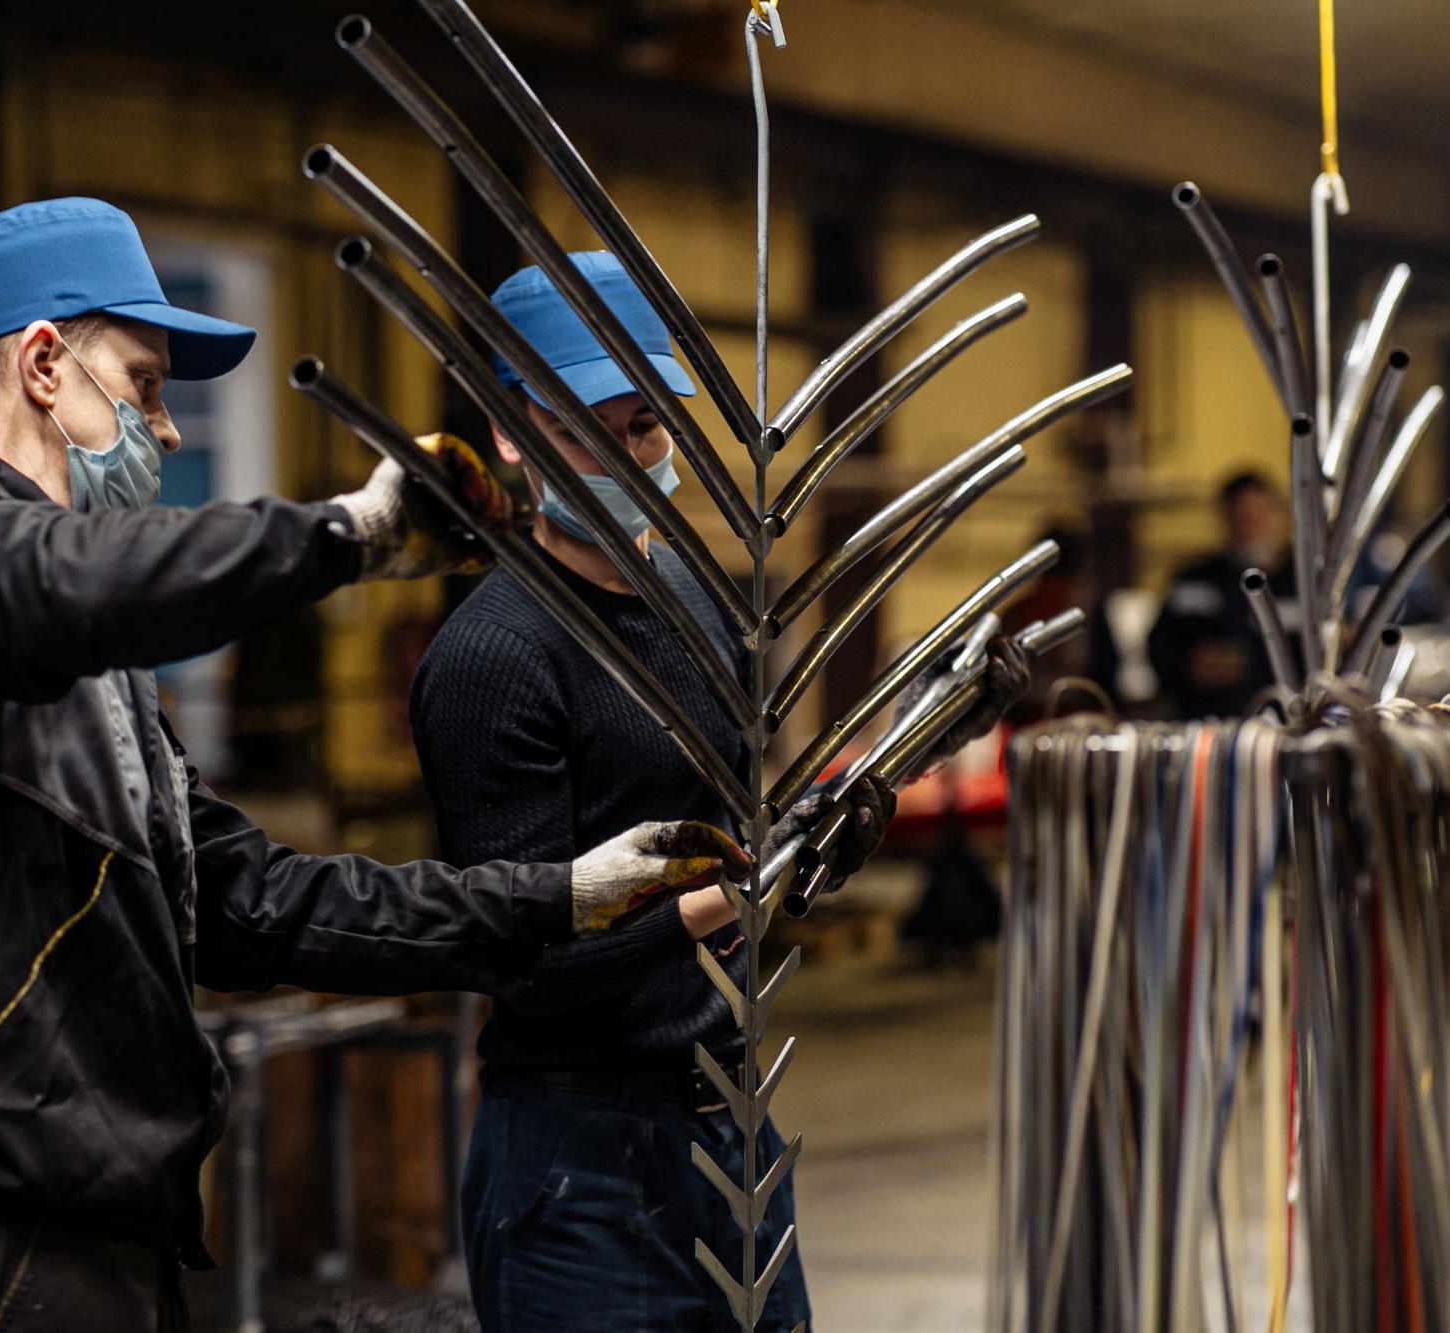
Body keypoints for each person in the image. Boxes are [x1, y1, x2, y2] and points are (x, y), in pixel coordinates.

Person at [0, 200, 752, 1333]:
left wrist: (563, 896)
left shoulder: (89, 673)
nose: (166, 431)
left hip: (99, 1243)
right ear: (43, 366)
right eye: (145, 385)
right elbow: (54, 578)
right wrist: (345, 535)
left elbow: (257, 905)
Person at [410, 253, 1017, 1332]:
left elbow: (732, 828)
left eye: (645, 425)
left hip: (727, 1117)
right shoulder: (492, 658)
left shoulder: (697, 601)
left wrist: (861, 795)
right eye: (581, 430)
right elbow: (522, 962)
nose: (625, 455)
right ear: (509, 433)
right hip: (577, 1158)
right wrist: (722, 897)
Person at [1147, 471, 1296, 717]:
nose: (1248, 527)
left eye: (1257, 516)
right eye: (1238, 518)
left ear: (1281, 516)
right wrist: (1189, 665)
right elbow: (1159, 648)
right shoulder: (1195, 579)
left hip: (1290, 720)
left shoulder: (1304, 584)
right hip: (1208, 719)